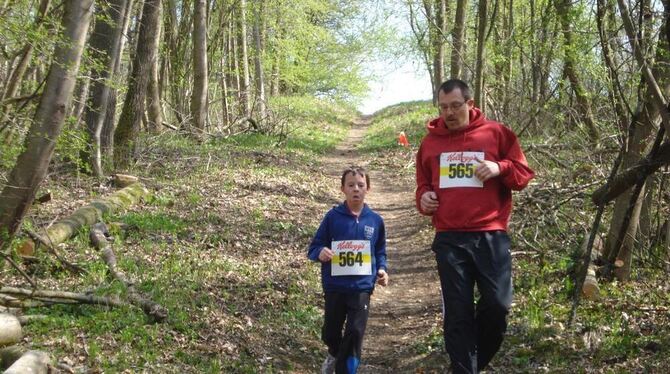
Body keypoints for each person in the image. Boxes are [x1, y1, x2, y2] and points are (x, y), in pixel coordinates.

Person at [415, 79, 535, 373]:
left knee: (498, 305)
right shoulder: (430, 143)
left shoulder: (496, 134)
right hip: (449, 238)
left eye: (456, 106)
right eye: (443, 107)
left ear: (470, 104)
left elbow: (523, 175)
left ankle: (473, 363)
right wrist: (424, 199)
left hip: (490, 235)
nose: (449, 113)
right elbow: (422, 186)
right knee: (457, 314)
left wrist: (499, 168)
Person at [308, 166, 389, 374]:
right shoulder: (332, 217)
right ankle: (334, 353)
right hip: (335, 285)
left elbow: (380, 250)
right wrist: (321, 253)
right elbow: (315, 246)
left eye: (361, 185)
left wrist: (381, 269)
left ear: (367, 189)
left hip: (362, 286)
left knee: (355, 332)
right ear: (342, 189)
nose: (356, 189)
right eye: (351, 185)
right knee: (330, 333)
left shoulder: (375, 220)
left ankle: (345, 369)